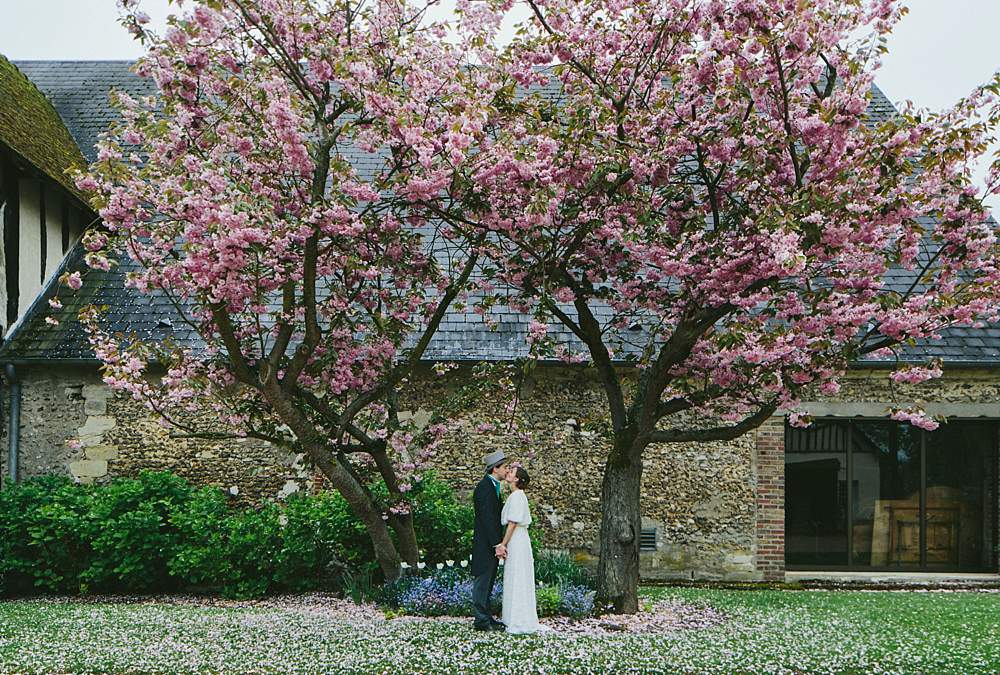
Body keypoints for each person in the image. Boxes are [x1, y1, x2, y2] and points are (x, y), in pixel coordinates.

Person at [499, 465, 549, 634]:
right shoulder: (515, 496)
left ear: (517, 479)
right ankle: (511, 617)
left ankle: (520, 619)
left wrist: (503, 544)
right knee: (514, 575)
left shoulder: (518, 497)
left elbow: (513, 523)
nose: (508, 472)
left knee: (518, 575)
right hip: (516, 539)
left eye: (512, 472)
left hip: (517, 539)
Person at [471, 449, 507, 631]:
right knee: (482, 582)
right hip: (485, 545)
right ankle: (481, 620)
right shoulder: (485, 488)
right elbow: (487, 518)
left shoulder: (492, 486)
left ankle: (486, 617)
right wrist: (497, 543)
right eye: (504, 467)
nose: (507, 470)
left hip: (489, 544)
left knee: (488, 582)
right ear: (495, 469)